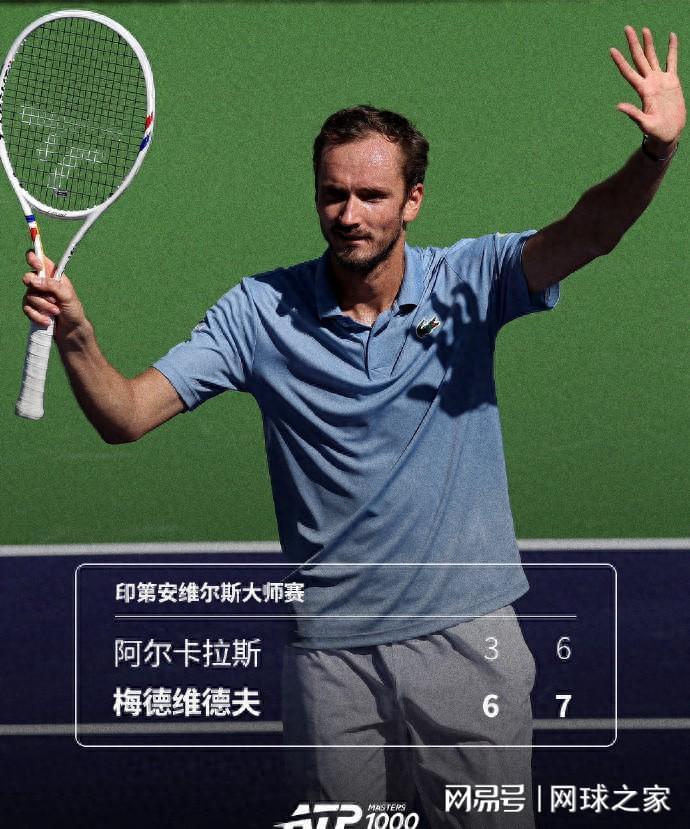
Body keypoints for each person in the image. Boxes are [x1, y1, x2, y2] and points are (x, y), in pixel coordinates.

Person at [21, 26, 684, 828]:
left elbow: (589, 231)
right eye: (333, 194)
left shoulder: (469, 282)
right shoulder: (258, 313)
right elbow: (127, 415)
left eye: (372, 195)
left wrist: (655, 153)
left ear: (413, 200)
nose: (349, 214)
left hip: (466, 638)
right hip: (329, 656)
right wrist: (78, 337)